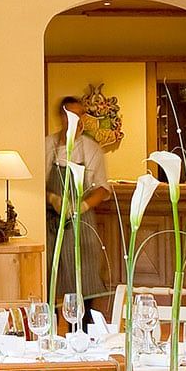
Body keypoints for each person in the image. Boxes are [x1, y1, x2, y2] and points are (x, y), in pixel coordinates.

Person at [48, 96, 115, 298]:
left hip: (82, 225)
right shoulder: (47, 145)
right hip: (52, 224)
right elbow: (37, 184)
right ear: (62, 117)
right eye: (71, 115)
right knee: (52, 281)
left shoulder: (91, 149)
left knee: (84, 282)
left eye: (80, 115)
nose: (76, 120)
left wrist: (81, 206)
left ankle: (82, 327)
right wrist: (53, 199)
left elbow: (102, 188)